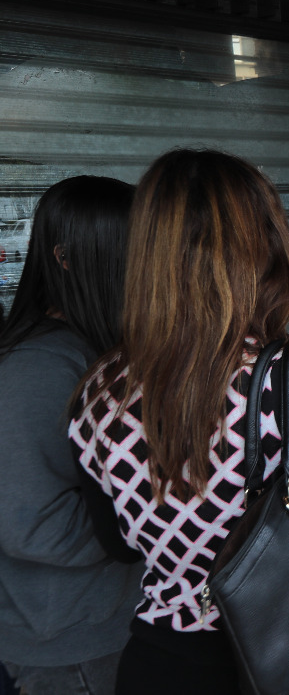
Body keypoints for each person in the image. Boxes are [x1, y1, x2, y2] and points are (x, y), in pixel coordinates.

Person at [68, 150, 289, 694]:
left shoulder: (96, 392)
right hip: (278, 661)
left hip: (156, 664)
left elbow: (119, 544)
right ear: (262, 249)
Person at [0, 177, 143, 695]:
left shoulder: (100, 351)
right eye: (131, 249)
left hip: (115, 623)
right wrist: (154, 519)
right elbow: (31, 524)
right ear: (65, 257)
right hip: (72, 644)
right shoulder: (37, 370)